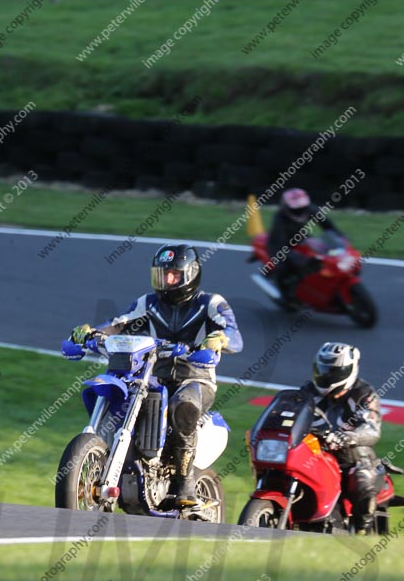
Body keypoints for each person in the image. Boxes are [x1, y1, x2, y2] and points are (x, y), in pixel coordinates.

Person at [68, 244, 243, 510]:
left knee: (183, 404)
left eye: (173, 274)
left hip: (195, 376)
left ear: (190, 274)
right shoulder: (147, 303)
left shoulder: (211, 303)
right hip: (152, 374)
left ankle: (185, 483)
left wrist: (219, 339)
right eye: (162, 275)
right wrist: (92, 333)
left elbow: (234, 335)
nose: (167, 280)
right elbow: (120, 322)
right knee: (128, 397)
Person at [301, 342, 383, 535]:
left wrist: (347, 437)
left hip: (354, 456)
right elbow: (291, 412)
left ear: (349, 371)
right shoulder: (308, 391)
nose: (326, 376)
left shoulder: (364, 394)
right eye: (322, 370)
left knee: (362, 478)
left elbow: (372, 430)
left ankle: (362, 531)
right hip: (315, 452)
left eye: (333, 372)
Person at [267, 188, 341, 306]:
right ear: (287, 206)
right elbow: (280, 242)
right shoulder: (280, 218)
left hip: (300, 237)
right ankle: (284, 295)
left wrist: (338, 235)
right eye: (296, 209)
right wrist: (291, 255)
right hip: (279, 244)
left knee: (319, 257)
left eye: (302, 208)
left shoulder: (310, 209)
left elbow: (326, 223)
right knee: (283, 266)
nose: (300, 211)